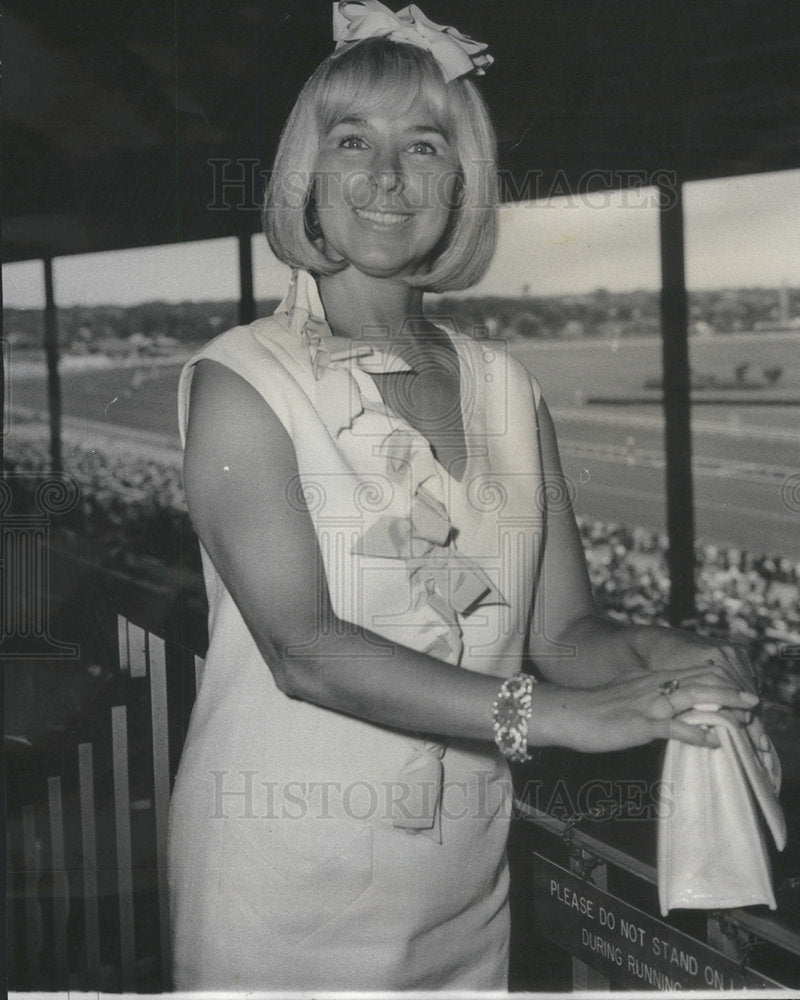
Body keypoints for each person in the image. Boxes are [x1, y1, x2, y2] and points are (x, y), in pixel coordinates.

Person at [168, 2, 761, 991]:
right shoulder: (241, 379)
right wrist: (559, 719)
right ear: (307, 172)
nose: (387, 176)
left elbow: (564, 632)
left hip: (462, 895)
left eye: (425, 145)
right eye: (351, 140)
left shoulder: (506, 387)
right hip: (281, 894)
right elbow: (303, 650)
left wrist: (662, 658)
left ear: (463, 181)